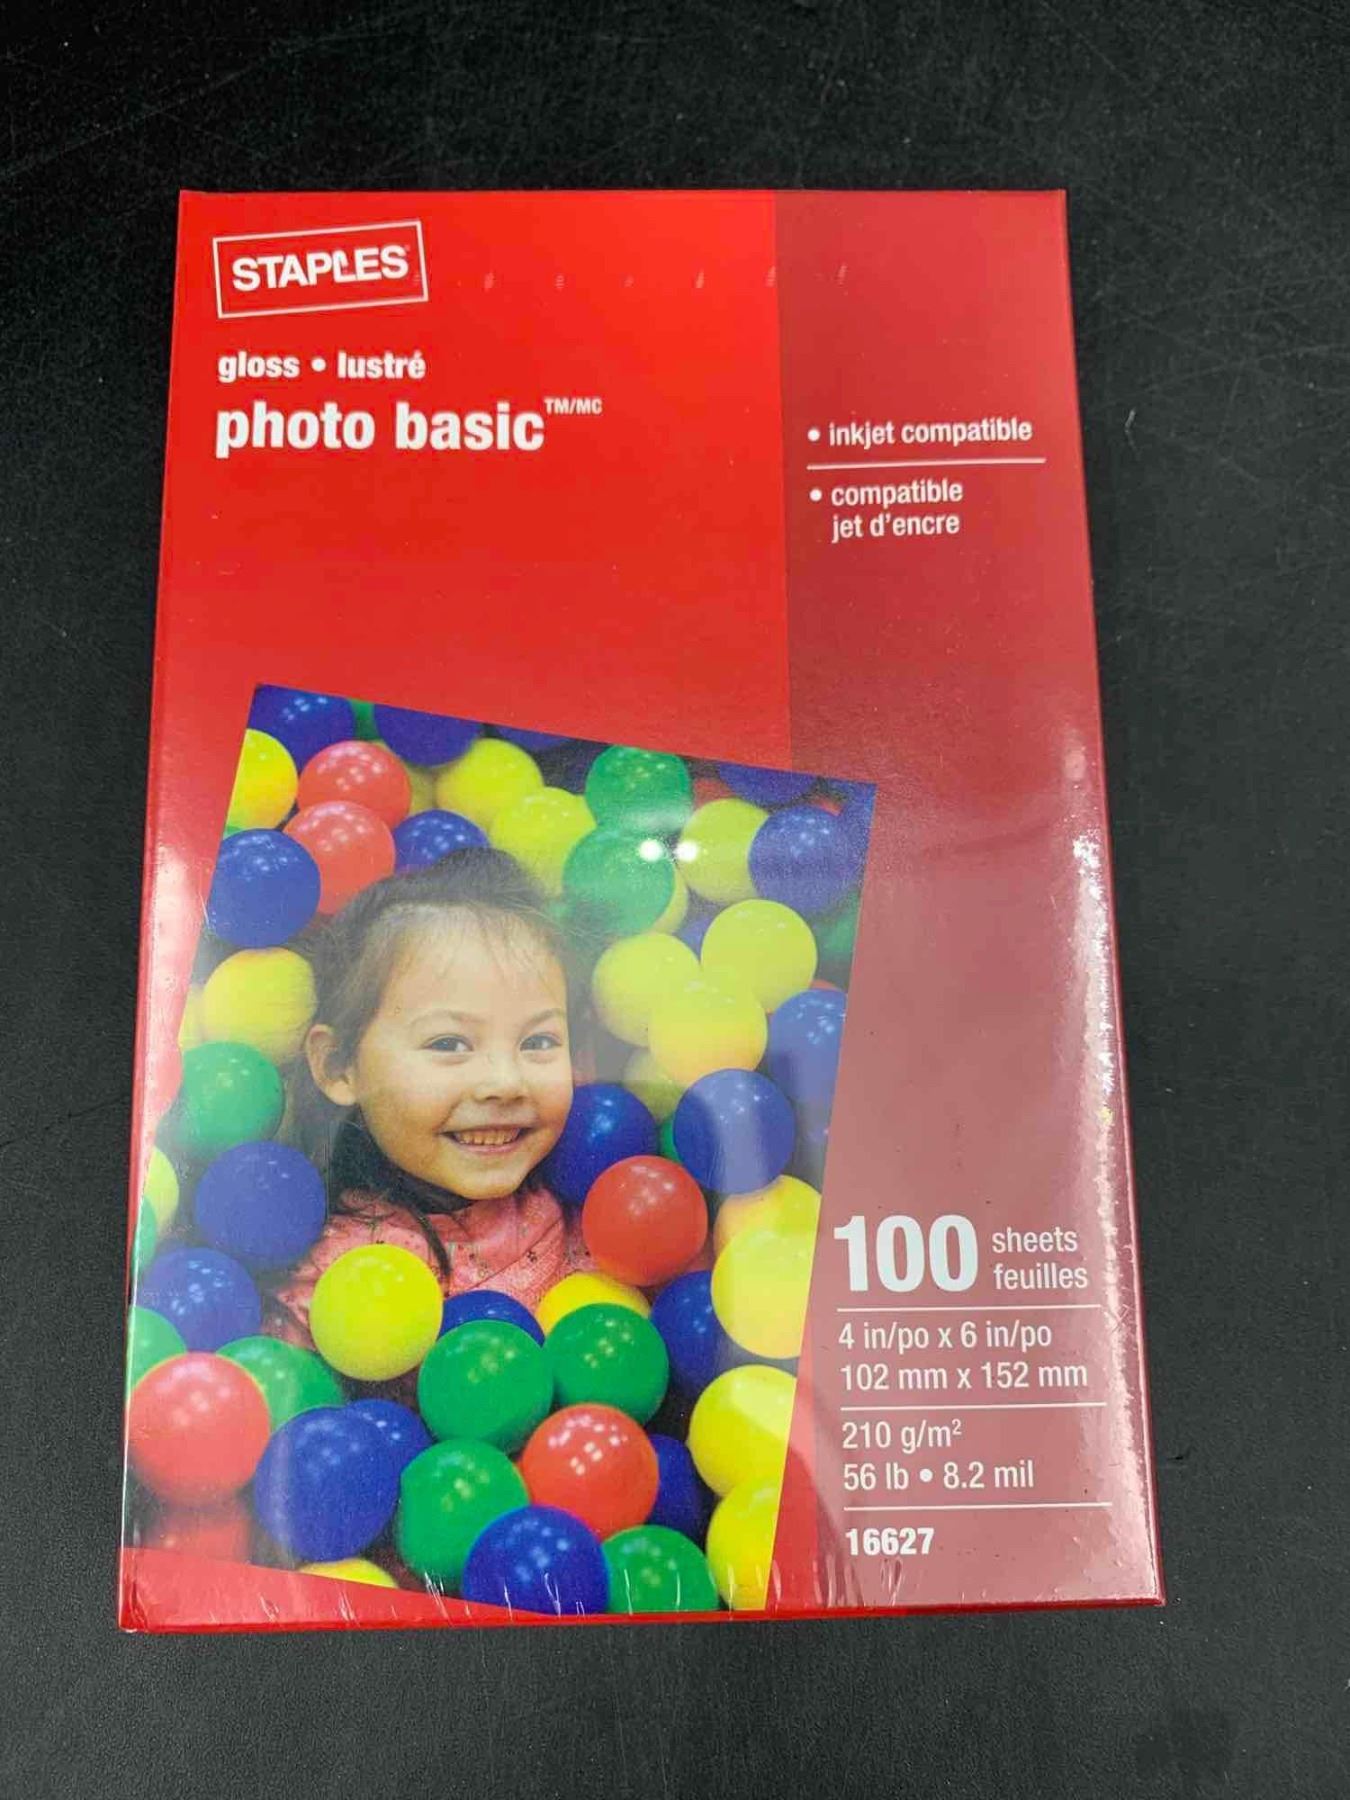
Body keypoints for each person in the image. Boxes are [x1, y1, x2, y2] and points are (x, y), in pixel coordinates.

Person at [264, 846, 596, 1354]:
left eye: (538, 1041)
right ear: (338, 1065)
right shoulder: (332, 1284)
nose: (505, 1082)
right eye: (449, 1044)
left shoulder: (590, 1196)